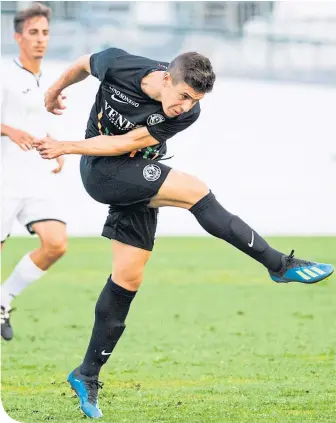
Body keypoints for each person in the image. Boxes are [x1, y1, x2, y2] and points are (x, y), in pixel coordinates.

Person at [35, 47, 334, 419]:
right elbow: (83, 64)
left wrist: (66, 145)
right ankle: (278, 264)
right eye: (183, 96)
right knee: (196, 191)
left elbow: (129, 142)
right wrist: (54, 91)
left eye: (195, 100)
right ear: (165, 79)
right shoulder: (119, 63)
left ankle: (86, 374)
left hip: (134, 172)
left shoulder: (187, 112)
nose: (185, 106)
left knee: (128, 277)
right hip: (102, 172)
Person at [1, 3, 67, 341]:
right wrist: (9, 131)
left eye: (45, 33)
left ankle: (4, 297)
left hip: (33, 180)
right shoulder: (4, 75)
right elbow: (14, 126)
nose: (40, 39)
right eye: (33, 33)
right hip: (3, 181)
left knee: (56, 243)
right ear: (18, 37)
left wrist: (55, 148)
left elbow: (36, 125)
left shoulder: (46, 81)